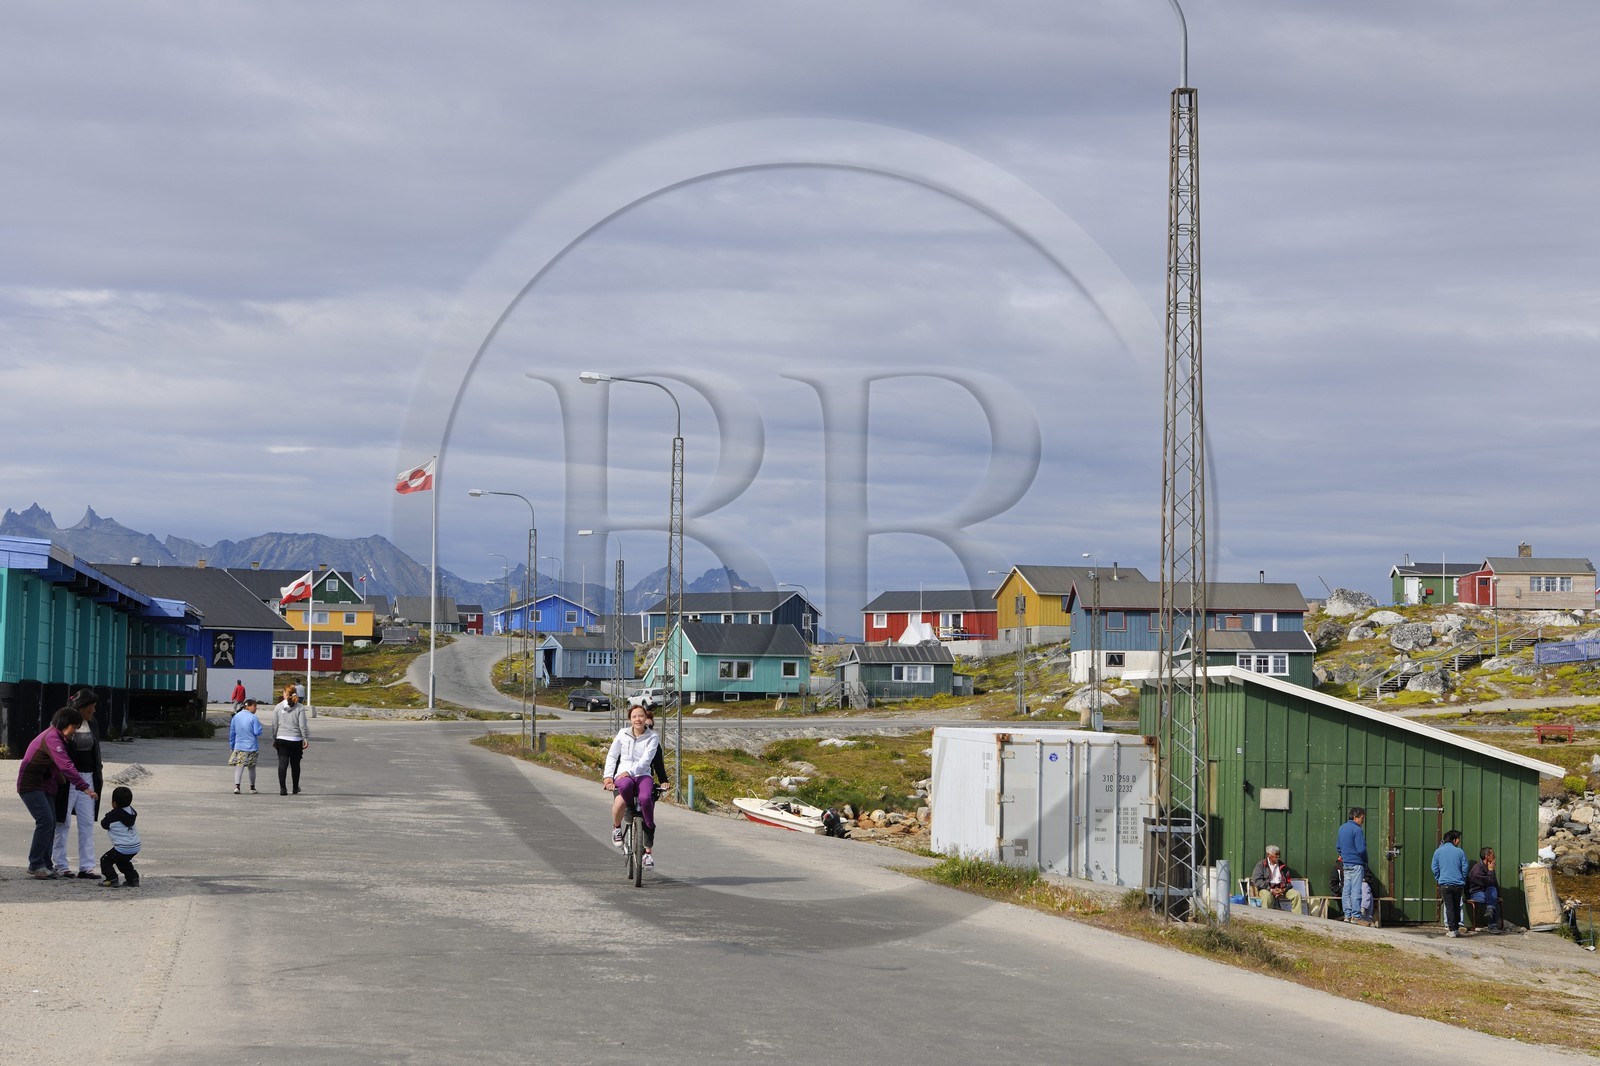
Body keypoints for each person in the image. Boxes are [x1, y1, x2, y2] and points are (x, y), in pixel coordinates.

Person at [16, 706, 97, 879]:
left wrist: (58, 776)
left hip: (45, 786)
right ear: (64, 723)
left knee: (51, 822)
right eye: (74, 727)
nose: (75, 731)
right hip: (30, 785)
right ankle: (36, 864)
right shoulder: (52, 737)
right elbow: (66, 765)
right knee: (45, 821)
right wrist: (84, 787)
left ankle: (46, 865)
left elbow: (57, 765)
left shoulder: (59, 738)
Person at [52, 688, 104, 878]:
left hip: (89, 776)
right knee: (63, 821)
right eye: (91, 709)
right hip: (67, 778)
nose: (94, 712)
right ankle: (60, 864)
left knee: (87, 822)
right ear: (81, 708)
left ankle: (87, 866)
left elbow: (95, 749)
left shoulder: (93, 724)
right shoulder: (63, 721)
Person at [604, 704, 661, 868]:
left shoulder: (653, 737)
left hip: (643, 774)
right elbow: (612, 755)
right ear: (630, 719)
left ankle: (648, 853)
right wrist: (608, 777)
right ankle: (617, 827)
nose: (638, 719)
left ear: (645, 718)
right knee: (626, 788)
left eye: (641, 716)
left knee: (645, 799)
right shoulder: (623, 734)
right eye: (634, 716)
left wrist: (630, 772)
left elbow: (647, 760)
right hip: (623, 774)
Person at [98, 785, 141, 888]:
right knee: (123, 861)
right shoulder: (132, 811)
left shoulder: (113, 815)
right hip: (135, 846)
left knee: (105, 860)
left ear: (114, 803)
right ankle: (133, 879)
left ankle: (111, 879)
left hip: (123, 847)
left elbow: (104, 824)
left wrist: (110, 814)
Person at [1432, 828, 1471, 938]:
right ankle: (1456, 928)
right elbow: (1465, 867)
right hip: (1458, 884)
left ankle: (1452, 929)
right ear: (1454, 840)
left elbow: (1434, 867)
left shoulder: (1438, 851)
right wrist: (1462, 878)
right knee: (1457, 906)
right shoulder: (1459, 851)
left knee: (1449, 906)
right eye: (1458, 839)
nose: (1458, 841)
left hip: (1445, 884)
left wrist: (1439, 878)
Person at [273, 685, 310, 796]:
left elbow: (274, 725)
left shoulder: (278, 707)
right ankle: (295, 787)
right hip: (296, 739)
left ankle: (283, 788)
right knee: (295, 764)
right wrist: (305, 738)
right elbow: (302, 725)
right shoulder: (300, 707)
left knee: (282, 763)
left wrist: (274, 738)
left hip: (282, 739)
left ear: (285, 693)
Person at [1337, 807, 1371, 925]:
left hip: (1346, 864)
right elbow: (1361, 849)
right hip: (1357, 864)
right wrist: (1365, 860)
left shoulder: (1342, 828)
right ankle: (1356, 916)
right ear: (1355, 817)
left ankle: (1347, 915)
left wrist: (1344, 856)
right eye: (1362, 818)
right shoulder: (1357, 830)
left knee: (1346, 890)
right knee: (1356, 890)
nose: (1363, 820)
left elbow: (1338, 847)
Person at [1249, 845, 1307, 915]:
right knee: (1267, 896)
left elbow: (1288, 882)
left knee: (1296, 895)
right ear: (1268, 855)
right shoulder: (1261, 865)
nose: (1278, 857)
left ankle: (1297, 917)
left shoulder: (1282, 866)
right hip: (1266, 888)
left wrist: (1283, 890)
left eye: (1279, 854)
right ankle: (1265, 917)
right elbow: (1257, 880)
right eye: (1276, 854)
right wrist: (1271, 890)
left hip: (1281, 888)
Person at [229, 698, 264, 794]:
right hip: (252, 746)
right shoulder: (253, 718)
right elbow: (257, 732)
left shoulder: (236, 717)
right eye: (254, 706)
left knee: (239, 766)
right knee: (252, 767)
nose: (255, 708)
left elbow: (232, 732)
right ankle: (252, 787)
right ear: (248, 707)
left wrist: (232, 745)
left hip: (239, 745)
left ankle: (237, 786)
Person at [1467, 847, 1505, 933]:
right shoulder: (1477, 868)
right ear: (1487, 856)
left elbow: (1494, 883)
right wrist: (1491, 870)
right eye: (1493, 854)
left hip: (1487, 892)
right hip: (1476, 892)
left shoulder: (1490, 866)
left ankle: (1490, 911)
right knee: (1491, 898)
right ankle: (1492, 926)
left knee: (1492, 891)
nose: (1494, 856)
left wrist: (1499, 896)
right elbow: (1486, 882)